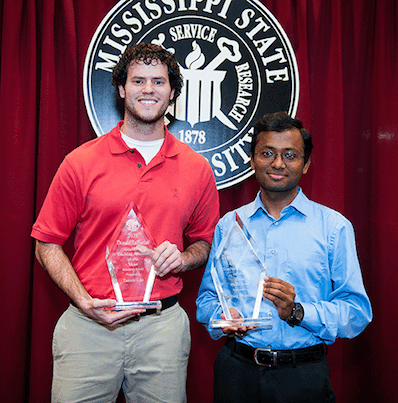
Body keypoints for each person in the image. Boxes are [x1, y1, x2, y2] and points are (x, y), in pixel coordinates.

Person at [31, 43, 219, 403]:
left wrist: (183, 258)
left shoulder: (197, 168)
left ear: (173, 92)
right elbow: (46, 243)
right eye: (138, 80)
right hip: (87, 327)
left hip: (161, 331)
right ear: (121, 89)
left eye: (158, 81)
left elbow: (205, 244)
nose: (148, 89)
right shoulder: (80, 162)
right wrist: (82, 300)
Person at [196, 111, 372, 403]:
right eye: (267, 153)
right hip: (236, 373)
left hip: (302, 376)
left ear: (306, 164)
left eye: (290, 155)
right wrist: (222, 317)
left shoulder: (334, 227)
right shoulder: (229, 224)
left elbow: (356, 313)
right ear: (252, 160)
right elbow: (206, 300)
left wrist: (298, 311)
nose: (278, 164)